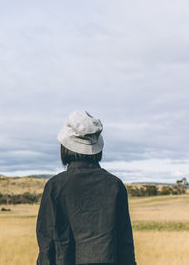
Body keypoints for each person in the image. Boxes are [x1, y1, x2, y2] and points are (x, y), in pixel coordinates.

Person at [36, 110, 136, 265]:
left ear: (65, 147)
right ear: (97, 147)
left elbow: (46, 246)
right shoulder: (115, 185)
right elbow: (125, 244)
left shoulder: (55, 187)